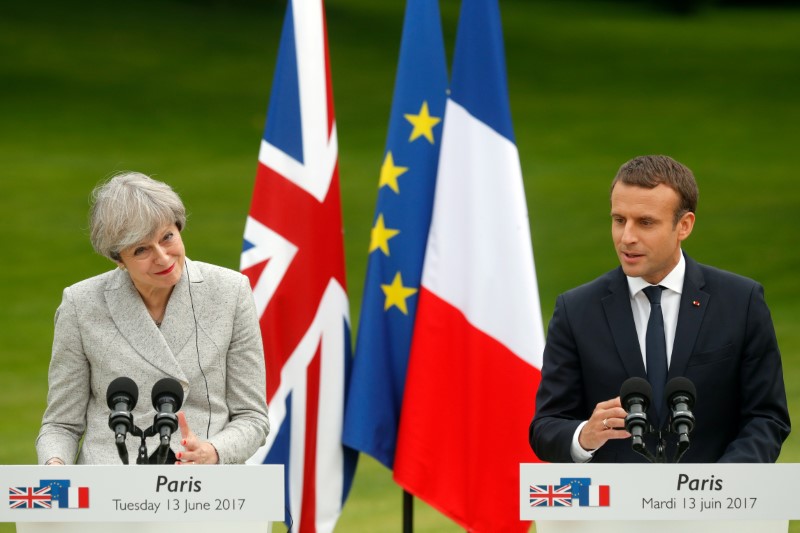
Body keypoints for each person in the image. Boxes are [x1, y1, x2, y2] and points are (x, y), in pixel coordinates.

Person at [530, 155, 790, 463]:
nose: (627, 237)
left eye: (645, 222)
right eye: (619, 220)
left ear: (684, 225)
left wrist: (718, 487)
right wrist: (584, 436)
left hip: (714, 504)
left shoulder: (741, 302)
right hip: (612, 508)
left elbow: (766, 417)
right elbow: (546, 427)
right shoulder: (575, 310)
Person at [36, 172, 269, 465]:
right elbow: (61, 425)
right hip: (110, 496)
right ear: (118, 259)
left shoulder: (230, 291)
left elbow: (252, 417)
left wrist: (212, 451)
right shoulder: (80, 305)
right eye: (141, 249)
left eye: (167, 237)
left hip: (204, 491)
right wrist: (55, 467)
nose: (162, 257)